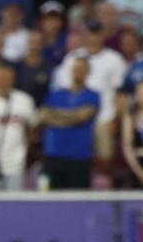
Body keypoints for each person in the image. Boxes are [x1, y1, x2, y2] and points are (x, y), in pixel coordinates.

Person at [39, 56, 100, 190]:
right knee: (51, 200)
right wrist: (72, 116)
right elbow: (43, 116)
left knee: (79, 202)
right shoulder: (55, 94)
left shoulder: (93, 95)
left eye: (82, 69)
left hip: (79, 156)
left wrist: (56, 116)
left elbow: (83, 116)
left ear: (87, 73)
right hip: (54, 154)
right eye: (76, 68)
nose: (78, 71)